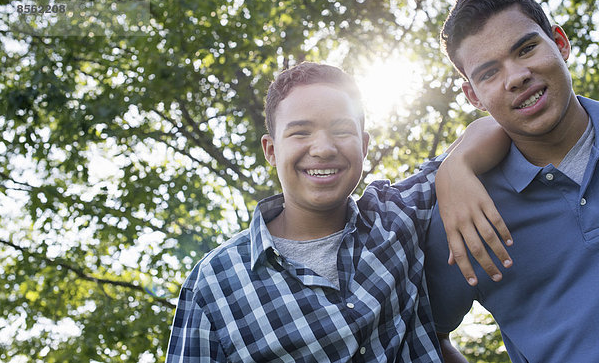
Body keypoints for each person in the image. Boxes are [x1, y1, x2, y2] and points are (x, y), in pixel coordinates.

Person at [165, 62, 510, 362]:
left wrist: (456, 167)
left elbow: (496, 124)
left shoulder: (396, 217)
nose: (323, 148)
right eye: (300, 132)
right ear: (271, 150)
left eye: (342, 130)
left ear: (364, 145)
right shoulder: (214, 283)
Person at [425, 0, 599, 363]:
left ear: (560, 42)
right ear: (473, 96)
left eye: (526, 48)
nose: (516, 76)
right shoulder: (465, 211)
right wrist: (452, 169)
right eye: (488, 73)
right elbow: (426, 335)